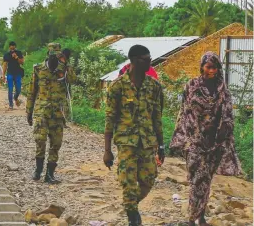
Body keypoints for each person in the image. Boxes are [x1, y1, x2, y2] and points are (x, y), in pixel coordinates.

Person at [170, 52, 242, 226]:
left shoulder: (223, 90)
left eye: (215, 67)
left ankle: (200, 217)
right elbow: (185, 112)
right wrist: (188, 137)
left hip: (215, 143)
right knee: (196, 179)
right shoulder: (192, 86)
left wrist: (222, 134)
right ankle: (191, 218)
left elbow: (228, 116)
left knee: (206, 179)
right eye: (208, 67)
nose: (212, 71)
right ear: (202, 66)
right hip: (194, 141)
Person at [103, 44, 165, 226]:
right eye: (147, 60)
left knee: (148, 179)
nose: (150, 63)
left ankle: (131, 205)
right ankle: (133, 218)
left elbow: (157, 118)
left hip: (147, 142)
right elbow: (110, 120)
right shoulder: (117, 87)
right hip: (126, 143)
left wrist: (161, 145)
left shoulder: (154, 87)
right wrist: (107, 151)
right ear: (135, 61)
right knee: (128, 182)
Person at [26, 43, 73, 184]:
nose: (55, 58)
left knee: (56, 143)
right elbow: (32, 92)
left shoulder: (64, 70)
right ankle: (38, 170)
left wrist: (67, 65)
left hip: (58, 112)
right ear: (48, 54)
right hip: (41, 111)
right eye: (53, 55)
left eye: (58, 55)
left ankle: (50, 174)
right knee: (40, 140)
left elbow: (73, 81)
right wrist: (28, 112)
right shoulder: (38, 69)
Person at [3, 41, 25, 110]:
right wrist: (3, 74)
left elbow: (22, 62)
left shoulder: (19, 53)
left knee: (18, 89)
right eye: (11, 46)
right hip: (10, 73)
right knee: (10, 89)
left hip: (17, 73)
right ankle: (11, 105)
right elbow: (5, 65)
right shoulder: (6, 55)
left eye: (13, 46)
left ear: (15, 47)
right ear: (9, 47)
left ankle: (15, 98)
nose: (12, 48)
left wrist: (16, 57)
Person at [59, 48, 77, 128]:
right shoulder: (65, 64)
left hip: (62, 85)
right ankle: (63, 122)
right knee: (63, 103)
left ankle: (62, 122)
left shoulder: (63, 63)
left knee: (62, 103)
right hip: (62, 86)